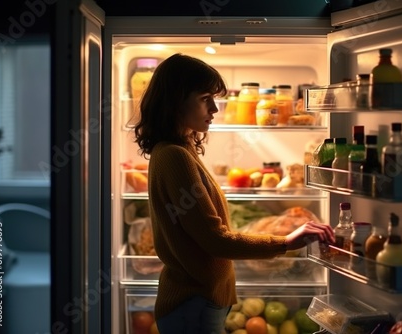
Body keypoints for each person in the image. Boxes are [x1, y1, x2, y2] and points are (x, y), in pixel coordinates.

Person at [134, 53, 335, 334]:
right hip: (192, 305)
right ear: (176, 100)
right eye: (205, 98)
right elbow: (215, 240)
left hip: (197, 301)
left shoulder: (179, 150)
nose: (215, 108)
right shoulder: (174, 156)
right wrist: (285, 242)